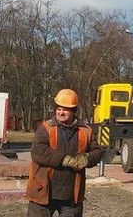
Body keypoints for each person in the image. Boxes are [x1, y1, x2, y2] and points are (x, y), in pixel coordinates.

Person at [25, 88, 104, 216]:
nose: (60, 113)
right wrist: (65, 160)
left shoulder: (86, 131)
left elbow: (98, 151)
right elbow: (38, 151)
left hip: (71, 196)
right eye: (58, 109)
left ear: (73, 111)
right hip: (42, 192)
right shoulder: (45, 128)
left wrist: (87, 158)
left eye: (65, 110)